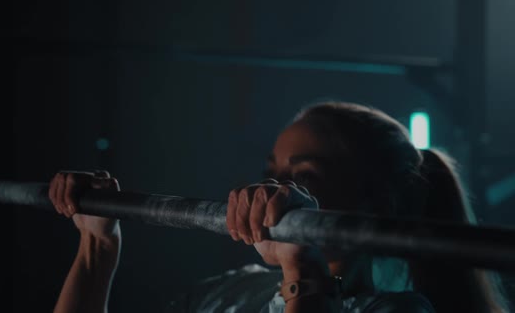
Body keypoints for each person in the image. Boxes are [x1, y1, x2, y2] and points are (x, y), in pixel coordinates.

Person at [49, 102, 509, 313]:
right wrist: (96, 245)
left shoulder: (398, 311)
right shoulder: (229, 294)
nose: (275, 189)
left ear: (376, 200)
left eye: (304, 176)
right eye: (273, 172)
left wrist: (302, 268)